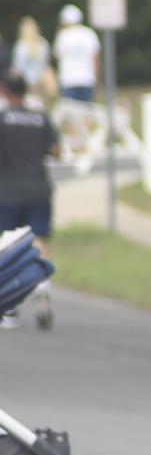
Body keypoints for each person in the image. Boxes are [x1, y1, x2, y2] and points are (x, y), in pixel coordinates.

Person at [0, 73, 60, 329]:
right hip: (39, 188)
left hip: (8, 191)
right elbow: (56, 151)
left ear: (4, 90)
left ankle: (10, 307)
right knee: (39, 239)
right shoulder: (41, 116)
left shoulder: (2, 119)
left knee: (7, 245)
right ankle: (42, 287)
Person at [52, 6, 99, 104]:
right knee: (86, 115)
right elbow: (96, 58)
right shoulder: (89, 33)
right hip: (87, 79)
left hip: (68, 80)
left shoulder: (62, 35)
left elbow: (56, 57)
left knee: (71, 114)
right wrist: (97, 79)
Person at [10, 18, 55, 107]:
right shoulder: (43, 44)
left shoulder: (20, 46)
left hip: (26, 85)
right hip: (40, 85)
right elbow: (46, 65)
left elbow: (16, 68)